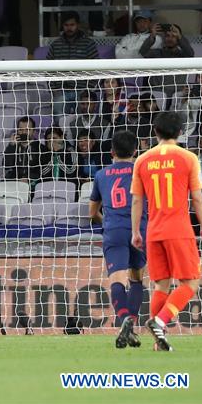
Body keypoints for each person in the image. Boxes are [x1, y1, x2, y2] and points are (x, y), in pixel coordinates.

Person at [130, 112, 202, 351]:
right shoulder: (188, 158)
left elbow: (137, 200)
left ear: (155, 132)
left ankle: (158, 342)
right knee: (191, 283)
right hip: (178, 229)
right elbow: (197, 197)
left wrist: (136, 231)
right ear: (180, 132)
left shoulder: (142, 160)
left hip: (154, 231)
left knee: (161, 286)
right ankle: (160, 321)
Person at [89, 130, 146, 348]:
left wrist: (107, 222)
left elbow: (92, 212)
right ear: (135, 151)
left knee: (117, 280)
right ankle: (130, 324)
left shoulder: (101, 175)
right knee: (136, 279)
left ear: (112, 151)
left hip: (114, 231)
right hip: (139, 230)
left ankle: (123, 319)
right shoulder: (142, 172)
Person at [4, 116, 43, 182]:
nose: (24, 132)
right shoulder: (13, 147)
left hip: (34, 183)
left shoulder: (41, 148)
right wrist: (11, 146)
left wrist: (29, 178)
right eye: (21, 130)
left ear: (34, 131)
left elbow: (44, 172)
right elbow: (6, 165)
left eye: (27, 130)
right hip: (14, 182)